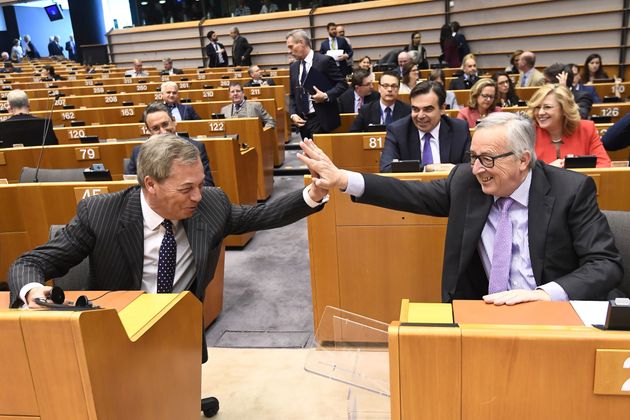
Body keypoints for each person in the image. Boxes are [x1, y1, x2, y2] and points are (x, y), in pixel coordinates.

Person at [8, 134, 327, 418]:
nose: (198, 196)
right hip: (117, 329)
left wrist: (313, 193)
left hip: (178, 330)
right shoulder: (102, 212)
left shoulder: (211, 204)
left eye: (200, 184)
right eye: (186, 189)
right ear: (150, 184)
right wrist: (33, 291)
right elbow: (32, 261)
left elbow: (262, 215)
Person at [297, 112, 623, 304]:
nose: (478, 168)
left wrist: (545, 294)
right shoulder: (466, 182)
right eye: (473, 157)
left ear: (524, 160)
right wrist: (342, 179)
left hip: (549, 313)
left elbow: (605, 264)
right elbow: (409, 194)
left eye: (488, 160)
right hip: (481, 311)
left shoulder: (571, 190)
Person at [379, 81, 470, 172]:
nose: (420, 116)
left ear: (442, 109)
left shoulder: (459, 129)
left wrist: (454, 170)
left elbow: (470, 167)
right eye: (415, 109)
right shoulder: (398, 130)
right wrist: (427, 168)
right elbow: (386, 168)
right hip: (412, 186)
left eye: (428, 109)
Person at [127, 102, 213, 186]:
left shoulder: (196, 147)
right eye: (155, 128)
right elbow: (131, 187)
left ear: (174, 121)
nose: (163, 132)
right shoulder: (138, 152)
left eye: (165, 124)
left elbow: (208, 185)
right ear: (149, 130)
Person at [528, 84, 611, 168]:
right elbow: (520, 172)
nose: (540, 112)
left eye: (547, 107)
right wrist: (548, 170)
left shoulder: (586, 129)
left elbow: (604, 165)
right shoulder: (528, 133)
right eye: (537, 107)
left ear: (564, 109)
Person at [286, 29, 347, 138]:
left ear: (301, 43)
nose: (289, 51)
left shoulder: (324, 61)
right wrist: (293, 114)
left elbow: (343, 84)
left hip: (321, 119)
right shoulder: (293, 67)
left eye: (291, 46)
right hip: (302, 122)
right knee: (308, 154)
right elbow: (292, 95)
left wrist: (325, 96)